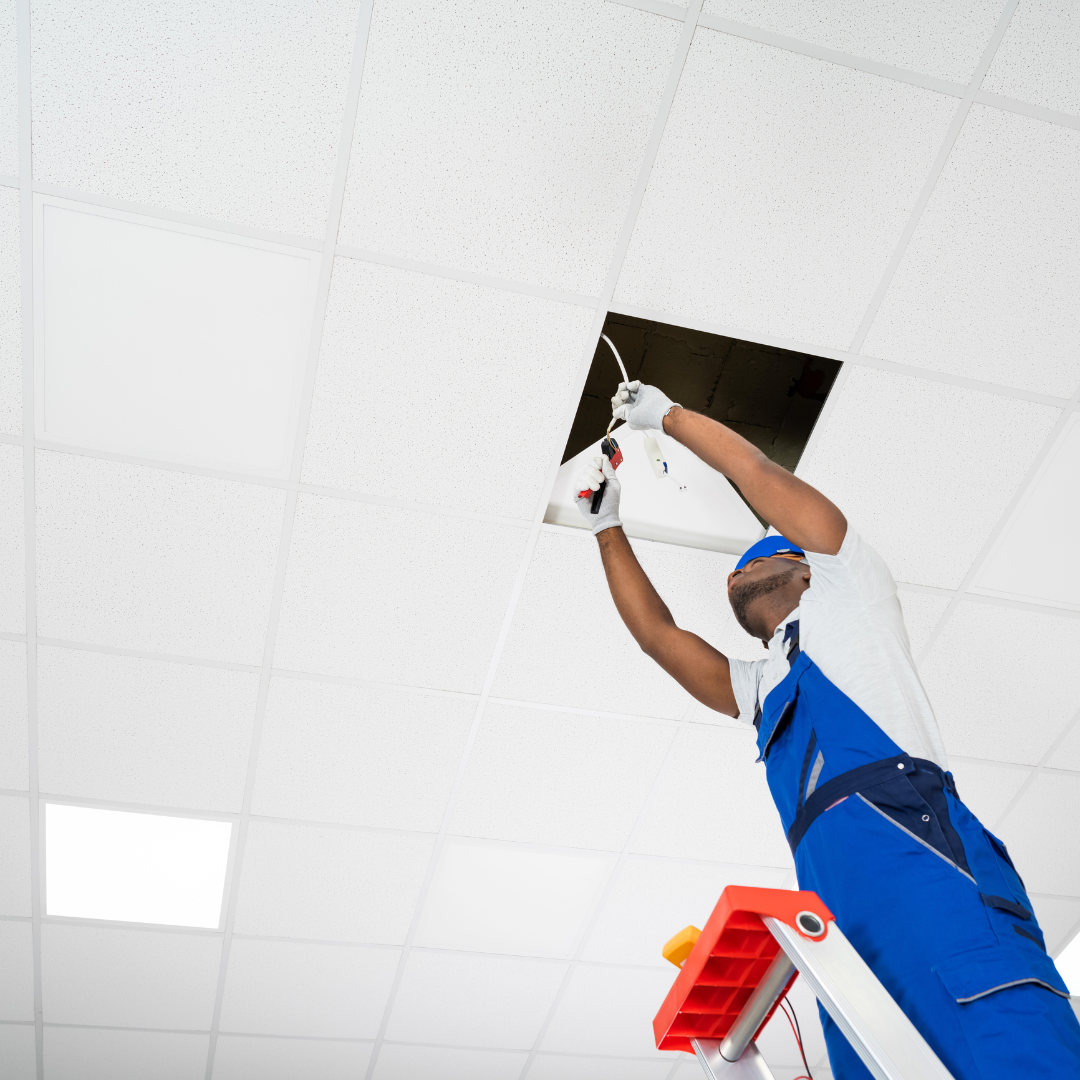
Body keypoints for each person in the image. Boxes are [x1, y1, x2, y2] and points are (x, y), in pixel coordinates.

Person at [575, 380, 1080, 1080]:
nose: (738, 572)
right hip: (841, 914)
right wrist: (606, 527)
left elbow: (756, 473)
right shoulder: (760, 686)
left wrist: (668, 419)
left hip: (926, 861)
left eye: (758, 554)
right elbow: (659, 638)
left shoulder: (853, 591)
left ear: (805, 565)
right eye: (731, 578)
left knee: (1004, 1039)